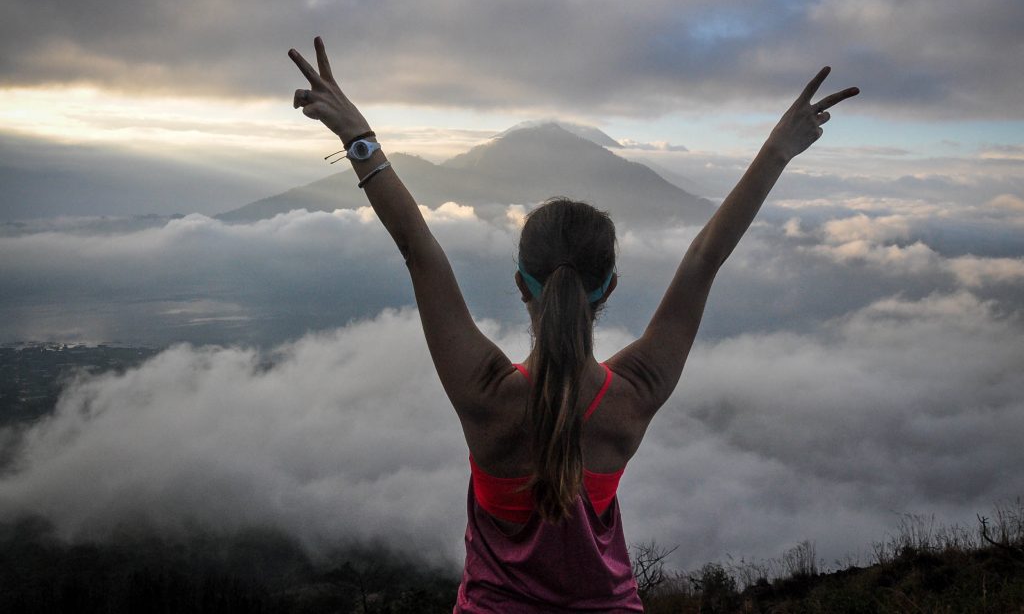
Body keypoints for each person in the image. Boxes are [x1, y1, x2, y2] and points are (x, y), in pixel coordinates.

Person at [289, 36, 859, 612]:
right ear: (608, 288)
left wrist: (358, 138)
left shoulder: (485, 395)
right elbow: (704, 259)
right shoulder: (633, 396)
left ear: (519, 284)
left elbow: (418, 247)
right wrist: (776, 152)